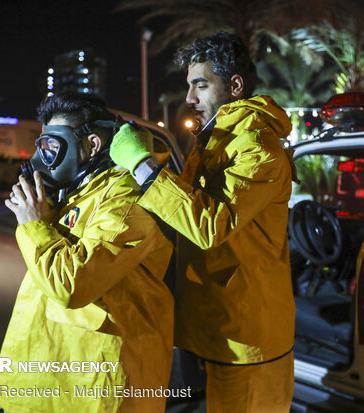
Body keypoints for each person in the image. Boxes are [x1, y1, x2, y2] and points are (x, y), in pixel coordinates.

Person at [111, 32, 296, 412]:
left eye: (200, 85)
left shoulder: (258, 148)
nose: (190, 98)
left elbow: (208, 226)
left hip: (249, 342)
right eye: (189, 86)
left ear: (234, 86)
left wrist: (145, 168)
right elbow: (182, 206)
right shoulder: (216, 143)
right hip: (219, 328)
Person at [0, 92, 174, 412]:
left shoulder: (125, 199)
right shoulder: (79, 194)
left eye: (52, 146)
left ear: (92, 145)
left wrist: (35, 225)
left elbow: (71, 286)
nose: (42, 159)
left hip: (94, 397)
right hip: (45, 391)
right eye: (42, 147)